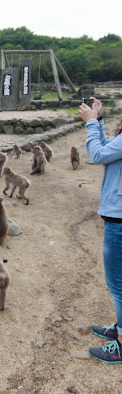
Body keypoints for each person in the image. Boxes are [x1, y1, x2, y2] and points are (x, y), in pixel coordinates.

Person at [80, 97, 122, 363]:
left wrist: (91, 123)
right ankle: (119, 327)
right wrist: (99, 120)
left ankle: (121, 343)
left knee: (117, 284)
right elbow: (110, 148)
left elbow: (98, 155)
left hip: (119, 220)